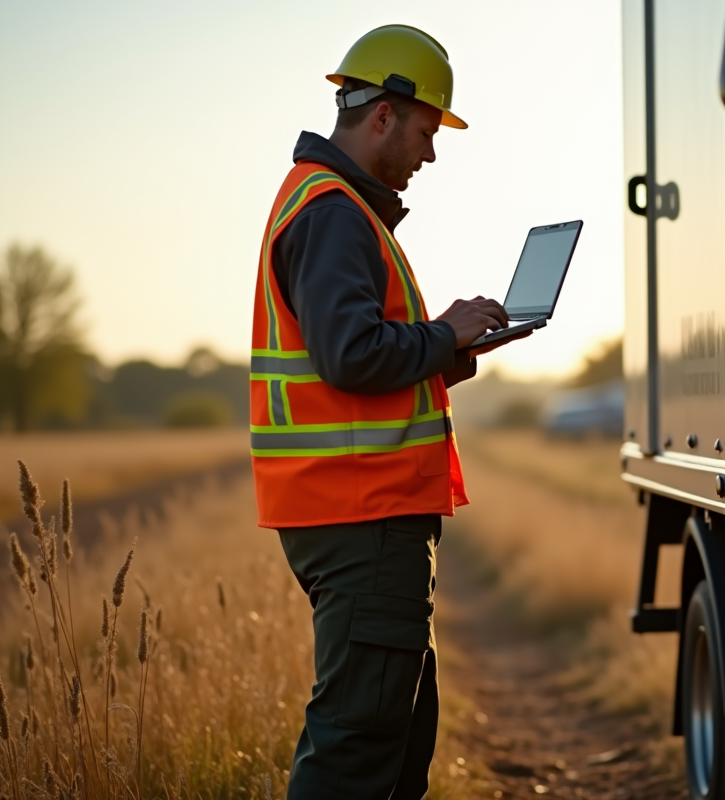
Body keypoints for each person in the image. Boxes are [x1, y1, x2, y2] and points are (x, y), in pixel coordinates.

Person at [248, 25, 527, 799]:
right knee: (358, 750)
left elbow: (352, 362)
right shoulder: (333, 210)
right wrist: (442, 334)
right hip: (358, 513)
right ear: (385, 115)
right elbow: (352, 356)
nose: (430, 155)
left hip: (352, 512)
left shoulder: (328, 204)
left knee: (391, 740)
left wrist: (452, 348)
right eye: (428, 131)